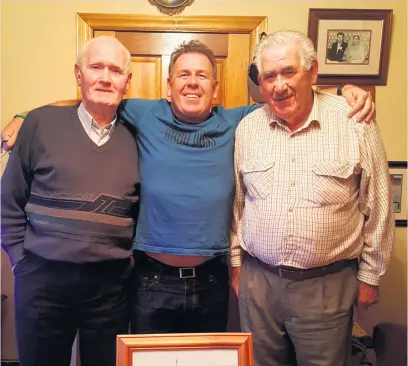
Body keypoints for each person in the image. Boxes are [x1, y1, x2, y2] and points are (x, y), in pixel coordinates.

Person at [1, 41, 374, 336]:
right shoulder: (143, 114)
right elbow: (91, 99)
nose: (192, 82)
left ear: (215, 87)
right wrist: (25, 115)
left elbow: (289, 93)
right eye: (182, 74)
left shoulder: (242, 121)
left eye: (201, 75)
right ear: (168, 86)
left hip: (213, 279)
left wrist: (343, 88)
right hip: (149, 280)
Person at [230, 31, 394, 366]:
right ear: (259, 82)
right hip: (258, 281)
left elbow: (378, 205)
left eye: (289, 72)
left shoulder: (354, 120)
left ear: (313, 72)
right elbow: (237, 201)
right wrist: (235, 264)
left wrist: (370, 275)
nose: (279, 85)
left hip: (327, 282)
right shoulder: (248, 127)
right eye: (269, 76)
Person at [1, 36, 140, 366]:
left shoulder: (140, 135)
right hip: (43, 280)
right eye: (96, 67)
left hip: (110, 286)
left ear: (127, 82)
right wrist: (23, 262)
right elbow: (9, 202)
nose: (105, 77)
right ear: (78, 74)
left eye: (115, 71)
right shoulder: (40, 123)